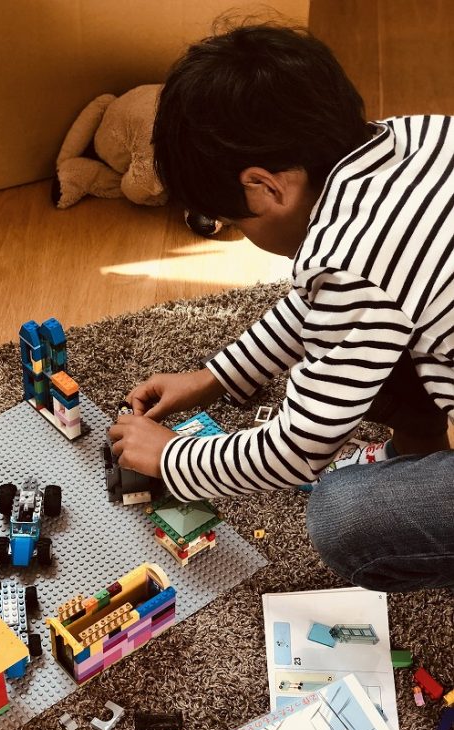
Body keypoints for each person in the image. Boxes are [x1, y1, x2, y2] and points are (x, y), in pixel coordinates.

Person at [108, 22, 454, 593]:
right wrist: (217, 376)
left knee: (344, 517)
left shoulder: (352, 262)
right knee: (371, 346)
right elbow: (339, 309)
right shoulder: (415, 136)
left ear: (266, 187)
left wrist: (172, 459)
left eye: (234, 220)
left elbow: (297, 451)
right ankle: (418, 456)